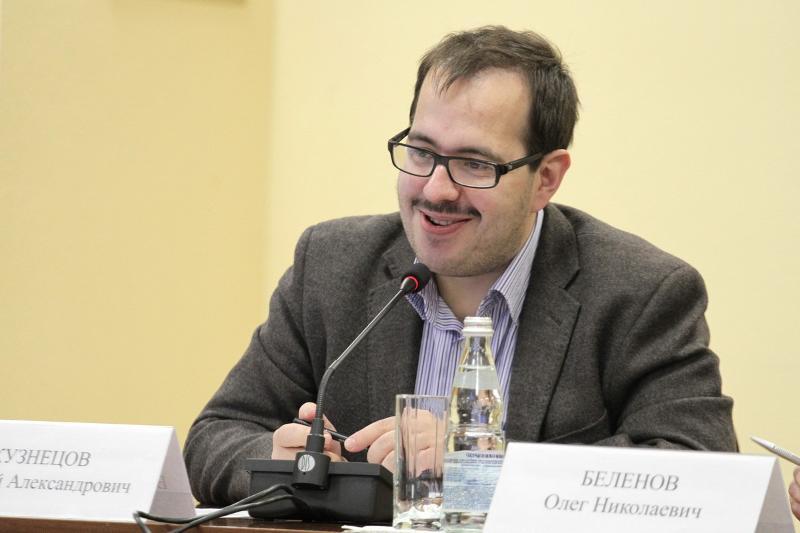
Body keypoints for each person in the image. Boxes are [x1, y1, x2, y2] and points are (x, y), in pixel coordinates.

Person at [183, 26, 737, 506]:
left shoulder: (639, 291)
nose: (435, 190)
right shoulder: (332, 265)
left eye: (473, 164)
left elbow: (699, 470)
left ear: (546, 178)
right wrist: (278, 458)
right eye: (422, 152)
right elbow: (214, 439)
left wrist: (482, 470)